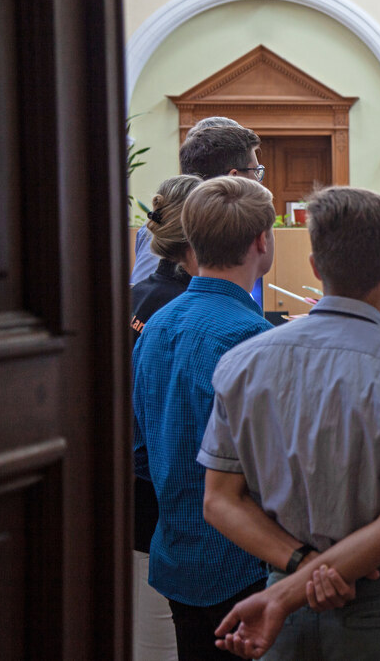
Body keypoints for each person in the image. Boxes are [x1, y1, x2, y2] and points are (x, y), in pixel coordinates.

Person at [198, 185, 380, 660]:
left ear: (315, 267)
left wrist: (296, 575)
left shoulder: (242, 364)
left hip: (280, 589)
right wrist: (300, 586)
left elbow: (219, 500)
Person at [132, 176, 276, 660]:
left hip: (176, 548)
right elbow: (274, 469)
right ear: (262, 241)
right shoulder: (250, 337)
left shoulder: (156, 325)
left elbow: (139, 443)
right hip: (243, 559)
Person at [129, 174, 203, 661]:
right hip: (159, 487)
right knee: (162, 637)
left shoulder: (140, 291)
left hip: (138, 476)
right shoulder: (180, 306)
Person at [131, 119, 261, 285]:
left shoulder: (222, 226)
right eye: (255, 171)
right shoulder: (173, 229)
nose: (259, 182)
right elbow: (148, 300)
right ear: (233, 177)